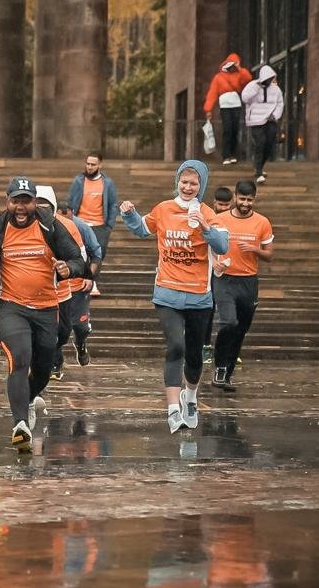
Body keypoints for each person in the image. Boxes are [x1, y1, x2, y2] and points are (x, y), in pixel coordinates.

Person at [0, 176, 86, 451]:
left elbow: (78, 260)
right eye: (16, 201)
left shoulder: (50, 225)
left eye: (26, 201)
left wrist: (68, 269)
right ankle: (20, 425)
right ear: (8, 202)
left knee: (42, 368)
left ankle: (27, 399)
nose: (21, 208)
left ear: (35, 202)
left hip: (48, 308)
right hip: (11, 306)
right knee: (20, 357)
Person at [119, 160, 229, 434]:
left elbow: (223, 245)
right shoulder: (164, 209)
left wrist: (205, 225)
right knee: (176, 347)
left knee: (194, 356)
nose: (188, 187)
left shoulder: (208, 213)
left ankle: (190, 397)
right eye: (184, 182)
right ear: (177, 181)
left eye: (194, 183)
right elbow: (142, 229)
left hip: (198, 297)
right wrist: (130, 214)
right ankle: (171, 409)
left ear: (201, 185)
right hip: (167, 293)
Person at [212, 180, 274, 391]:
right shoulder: (219, 219)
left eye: (250, 200)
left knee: (241, 329)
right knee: (228, 322)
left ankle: (227, 374)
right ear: (235, 197)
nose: (246, 203)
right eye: (242, 199)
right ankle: (219, 368)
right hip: (224, 278)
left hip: (248, 281)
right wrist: (214, 261)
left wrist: (254, 249)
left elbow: (269, 254)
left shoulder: (263, 222)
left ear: (254, 199)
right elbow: (207, 243)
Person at [35, 187, 99, 381]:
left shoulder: (69, 226)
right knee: (46, 330)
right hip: (37, 288)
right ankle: (53, 363)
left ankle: (71, 345)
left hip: (66, 287)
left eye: (45, 206)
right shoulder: (25, 225)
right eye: (37, 205)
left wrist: (78, 272)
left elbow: (81, 255)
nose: (41, 210)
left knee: (66, 330)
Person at [66, 152, 118, 293]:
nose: (89, 167)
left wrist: (109, 225)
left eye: (93, 164)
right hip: (80, 223)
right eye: (87, 164)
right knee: (79, 253)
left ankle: (93, 281)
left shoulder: (107, 183)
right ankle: (79, 280)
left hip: (100, 225)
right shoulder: (78, 180)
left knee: (97, 255)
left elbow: (113, 204)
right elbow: (70, 202)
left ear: (100, 165)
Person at [56, 201, 100, 365]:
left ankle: (81, 343)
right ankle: (56, 363)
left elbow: (95, 253)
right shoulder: (47, 227)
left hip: (78, 285)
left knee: (80, 327)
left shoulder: (81, 227)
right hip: (58, 287)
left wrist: (89, 277)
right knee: (57, 328)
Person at [203, 187, 235, 363]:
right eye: (220, 204)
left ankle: (230, 348)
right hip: (207, 269)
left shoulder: (233, 219)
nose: (223, 207)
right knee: (207, 308)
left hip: (229, 271)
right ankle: (205, 346)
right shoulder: (208, 216)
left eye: (226, 205)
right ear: (214, 202)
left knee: (229, 312)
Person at [203, 53, 253, 165]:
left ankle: (233, 154)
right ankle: (226, 155)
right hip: (225, 105)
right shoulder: (218, 77)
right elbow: (212, 93)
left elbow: (248, 79)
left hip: (236, 104)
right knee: (227, 129)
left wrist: (240, 68)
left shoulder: (238, 74)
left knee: (235, 129)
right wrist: (208, 109)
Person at [241, 65, 284, 184]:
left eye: (271, 78)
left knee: (269, 144)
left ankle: (259, 166)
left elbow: (280, 103)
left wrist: (275, 115)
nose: (269, 81)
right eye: (268, 78)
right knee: (260, 143)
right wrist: (256, 89)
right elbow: (245, 98)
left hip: (270, 120)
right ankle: (259, 171)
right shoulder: (252, 86)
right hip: (255, 120)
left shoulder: (276, 89)